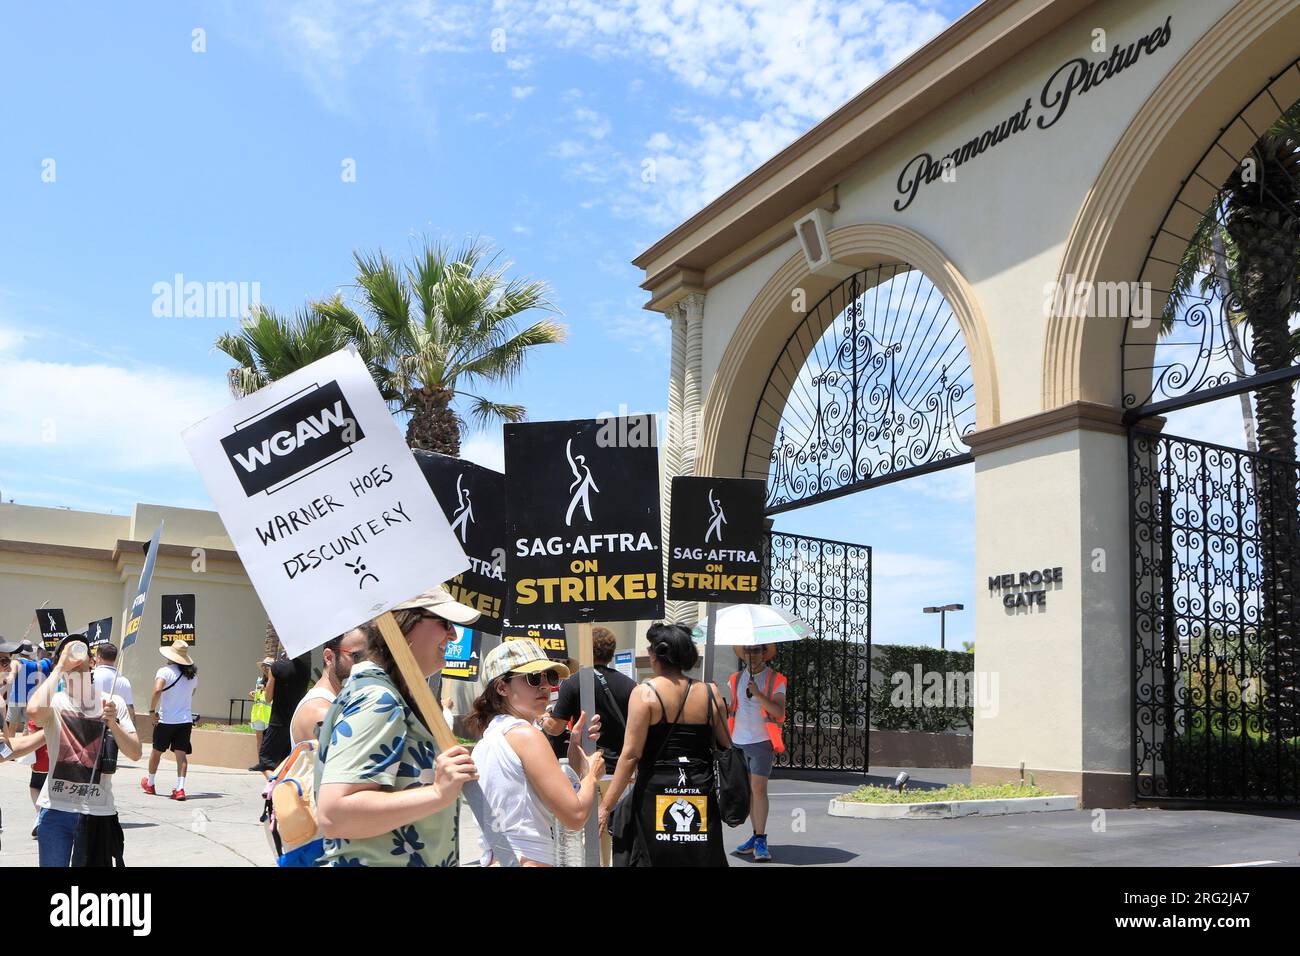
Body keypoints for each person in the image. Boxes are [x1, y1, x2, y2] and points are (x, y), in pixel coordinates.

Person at [315, 586, 480, 867]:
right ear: (403, 623)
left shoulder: (388, 694)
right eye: (444, 623)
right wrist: (437, 793)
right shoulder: (377, 698)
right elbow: (335, 814)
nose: (453, 635)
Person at [598, 623, 731, 868]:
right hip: (699, 785)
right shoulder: (711, 693)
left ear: (656, 655)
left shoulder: (645, 693)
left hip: (656, 788)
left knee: (655, 855)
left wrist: (606, 806)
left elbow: (630, 755)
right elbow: (725, 745)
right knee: (699, 856)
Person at [469, 639, 604, 867]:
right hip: (528, 858)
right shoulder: (526, 736)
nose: (544, 685)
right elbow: (575, 816)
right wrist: (592, 775)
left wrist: (574, 747)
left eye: (549, 677)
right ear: (502, 687)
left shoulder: (491, 738)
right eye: (532, 677)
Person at [27, 633, 141, 867]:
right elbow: (34, 711)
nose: (75, 657)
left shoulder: (112, 702)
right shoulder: (56, 701)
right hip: (55, 810)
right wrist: (60, 666)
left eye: (81, 652)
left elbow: (136, 752)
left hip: (97, 812)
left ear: (92, 661)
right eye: (68, 653)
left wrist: (113, 725)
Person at [728, 643, 788, 863]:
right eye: (748, 651)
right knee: (748, 792)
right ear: (743, 654)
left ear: (764, 653)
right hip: (738, 742)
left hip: (762, 742)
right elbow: (735, 708)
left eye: (756, 650)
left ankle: (761, 838)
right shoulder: (735, 679)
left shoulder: (777, 679)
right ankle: (755, 837)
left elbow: (779, 712)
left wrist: (759, 694)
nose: (752, 655)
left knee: (759, 789)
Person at [543, 626, 635, 768]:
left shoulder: (573, 682)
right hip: (621, 768)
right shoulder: (630, 685)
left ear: (585, 650)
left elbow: (555, 728)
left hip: (586, 764)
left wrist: (542, 717)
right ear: (611, 653)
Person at [289, 630, 366, 747]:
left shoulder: (336, 702)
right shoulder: (320, 712)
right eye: (357, 656)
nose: (366, 664)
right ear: (329, 657)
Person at [142, 641, 197, 801]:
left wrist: (152, 711)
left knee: (156, 752)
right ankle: (180, 789)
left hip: (166, 720)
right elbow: (191, 693)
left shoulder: (164, 671)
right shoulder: (192, 676)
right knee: (181, 755)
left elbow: (158, 689)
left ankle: (150, 783)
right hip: (185, 720)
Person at [254, 642, 311, 776]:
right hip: (295, 723)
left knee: (265, 762)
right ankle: (281, 789)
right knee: (286, 762)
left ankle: (274, 787)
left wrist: (271, 677)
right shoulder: (305, 670)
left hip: (277, 721)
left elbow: (268, 697)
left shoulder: (277, 668)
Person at [6, 640, 52, 735]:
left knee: (12, 727)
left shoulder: (16, 662)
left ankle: (11, 748)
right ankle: (25, 748)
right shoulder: (36, 664)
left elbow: (11, 677)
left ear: (19, 651)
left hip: (16, 698)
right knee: (27, 729)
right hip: (31, 700)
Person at [91, 643, 135, 722]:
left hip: (94, 724)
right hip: (117, 726)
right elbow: (130, 709)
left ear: (98, 657)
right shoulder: (125, 681)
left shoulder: (91, 676)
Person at [249, 658, 272, 756]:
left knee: (268, 739)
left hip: (269, 713)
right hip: (258, 713)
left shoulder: (274, 680)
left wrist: (266, 689)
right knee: (259, 738)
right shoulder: (260, 680)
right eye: (264, 666)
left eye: (267, 666)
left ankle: (267, 760)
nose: (265, 668)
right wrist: (253, 694)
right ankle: (260, 761)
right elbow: (258, 695)